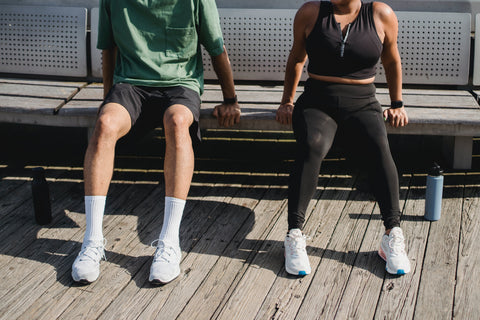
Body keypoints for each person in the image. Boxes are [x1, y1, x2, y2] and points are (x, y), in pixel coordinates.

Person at [71, 0, 241, 285]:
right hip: (130, 85)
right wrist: (107, 99)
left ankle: (169, 241)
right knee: (105, 124)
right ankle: (92, 241)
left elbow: (216, 47)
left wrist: (230, 99)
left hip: (180, 84)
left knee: (176, 123)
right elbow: (108, 49)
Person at [276, 0, 411, 276]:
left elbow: (391, 59)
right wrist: (287, 101)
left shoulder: (380, 14)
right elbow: (297, 58)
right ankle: (294, 234)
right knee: (312, 145)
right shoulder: (311, 12)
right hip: (318, 102)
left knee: (378, 147)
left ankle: (392, 233)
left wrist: (396, 103)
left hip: (362, 103)